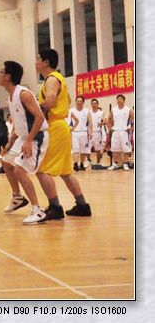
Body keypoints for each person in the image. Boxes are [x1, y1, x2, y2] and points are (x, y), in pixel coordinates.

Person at [35, 48, 91, 219]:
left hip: (55, 127)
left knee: (41, 169)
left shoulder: (52, 79)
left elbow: (50, 101)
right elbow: (66, 100)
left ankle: (55, 207)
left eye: (38, 59)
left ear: (46, 62)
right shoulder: (58, 78)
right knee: (66, 172)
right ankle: (82, 205)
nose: (35, 62)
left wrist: (32, 108)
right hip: (61, 126)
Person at [0, 61, 49, 224]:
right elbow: (18, 124)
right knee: (6, 162)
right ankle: (18, 197)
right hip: (24, 137)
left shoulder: (24, 94)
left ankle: (37, 210)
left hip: (37, 137)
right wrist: (9, 143)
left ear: (8, 76)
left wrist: (28, 140)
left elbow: (40, 117)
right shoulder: (10, 97)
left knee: (19, 170)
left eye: (1, 72)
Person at [107, 94, 135, 170]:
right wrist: (110, 128)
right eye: (118, 99)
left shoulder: (128, 109)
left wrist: (132, 128)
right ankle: (115, 164)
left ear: (124, 100)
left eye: (121, 99)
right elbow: (109, 118)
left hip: (124, 131)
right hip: (115, 131)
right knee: (114, 149)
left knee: (126, 149)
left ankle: (125, 164)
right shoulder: (113, 109)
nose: (119, 100)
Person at [70, 96, 92, 171]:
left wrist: (90, 132)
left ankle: (82, 164)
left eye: (80, 101)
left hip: (84, 133)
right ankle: (75, 164)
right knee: (75, 149)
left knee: (84, 150)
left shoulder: (87, 111)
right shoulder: (71, 111)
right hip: (75, 133)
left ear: (83, 102)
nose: (79, 102)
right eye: (78, 101)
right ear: (75, 102)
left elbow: (90, 122)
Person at [89, 99, 106, 168]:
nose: (94, 104)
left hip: (98, 132)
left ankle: (98, 162)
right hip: (90, 132)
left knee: (98, 149)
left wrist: (101, 123)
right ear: (91, 104)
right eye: (92, 103)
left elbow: (105, 121)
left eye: (95, 103)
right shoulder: (89, 112)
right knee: (87, 149)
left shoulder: (101, 112)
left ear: (97, 104)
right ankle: (89, 161)